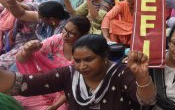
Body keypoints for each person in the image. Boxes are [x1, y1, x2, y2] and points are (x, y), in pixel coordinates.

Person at [0, 34, 157, 109]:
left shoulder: (122, 74)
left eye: (89, 60)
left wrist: (142, 78)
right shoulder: (69, 74)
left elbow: (147, 101)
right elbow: (26, 84)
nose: (82, 66)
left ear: (104, 57)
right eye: (77, 60)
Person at [14, 16, 91, 110]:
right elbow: (24, 58)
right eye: (65, 30)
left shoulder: (85, 54)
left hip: (67, 93)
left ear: (82, 36)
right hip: (45, 84)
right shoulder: (57, 40)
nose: (65, 35)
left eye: (72, 34)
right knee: (17, 98)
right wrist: (27, 50)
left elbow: (75, 85)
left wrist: (55, 106)